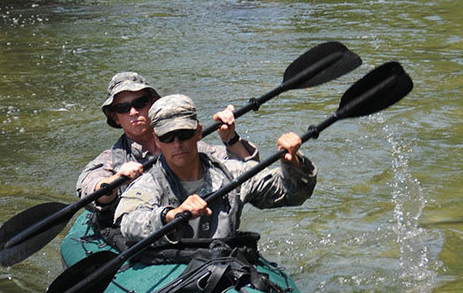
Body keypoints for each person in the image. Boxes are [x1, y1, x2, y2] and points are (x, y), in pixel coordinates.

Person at [114, 94, 316, 243]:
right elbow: (129, 224)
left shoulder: (232, 173)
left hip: (224, 265)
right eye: (168, 137)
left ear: (198, 132)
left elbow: (294, 195)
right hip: (171, 268)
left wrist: (293, 162)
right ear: (157, 141)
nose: (177, 144)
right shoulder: (149, 183)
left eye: (184, 134)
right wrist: (170, 215)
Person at [77, 71, 257, 217]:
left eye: (140, 103)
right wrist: (115, 181)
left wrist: (230, 138)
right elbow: (91, 188)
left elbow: (249, 171)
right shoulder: (113, 159)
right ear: (115, 117)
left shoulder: (190, 148)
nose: (133, 112)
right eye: (123, 108)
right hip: (144, 234)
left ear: (152, 105)